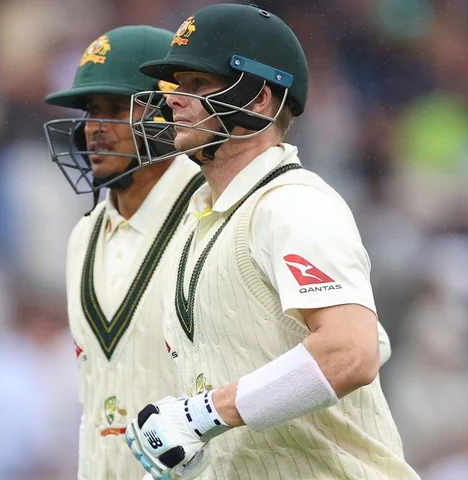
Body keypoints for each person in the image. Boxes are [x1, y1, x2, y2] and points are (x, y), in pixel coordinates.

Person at [124, 4, 418, 479]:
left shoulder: (291, 205)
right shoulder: (199, 221)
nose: (174, 99)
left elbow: (352, 352)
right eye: (176, 85)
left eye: (198, 84)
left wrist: (202, 414)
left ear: (259, 99)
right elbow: (367, 341)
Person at [43, 25, 204, 480]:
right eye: (90, 111)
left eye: (114, 109)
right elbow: (96, 395)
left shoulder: (213, 213)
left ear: (163, 114)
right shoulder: (84, 236)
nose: (94, 129)